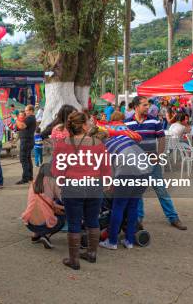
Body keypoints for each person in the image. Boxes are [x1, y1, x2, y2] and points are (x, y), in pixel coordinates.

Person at [55, 112, 110, 269]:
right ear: (84, 126)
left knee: (74, 223)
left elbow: (57, 169)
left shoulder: (63, 143)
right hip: (94, 187)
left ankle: (74, 260)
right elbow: (105, 167)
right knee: (93, 221)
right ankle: (92, 254)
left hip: (72, 188)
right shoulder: (97, 143)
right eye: (89, 122)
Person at [125, 96, 187, 230]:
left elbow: (162, 138)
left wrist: (158, 155)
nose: (148, 107)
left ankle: (173, 217)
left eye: (148, 105)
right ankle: (138, 219)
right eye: (144, 105)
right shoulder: (127, 123)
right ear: (136, 107)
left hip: (152, 162)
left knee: (161, 190)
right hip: (136, 163)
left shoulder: (154, 121)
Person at [100, 112, 150, 250]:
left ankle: (112, 241)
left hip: (127, 174)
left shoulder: (103, 148)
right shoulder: (122, 138)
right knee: (133, 206)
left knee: (118, 206)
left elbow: (108, 171)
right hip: (145, 171)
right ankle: (129, 241)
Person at [21, 163, 65, 249]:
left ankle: (35, 235)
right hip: (43, 223)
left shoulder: (33, 184)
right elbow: (61, 200)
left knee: (40, 210)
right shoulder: (51, 183)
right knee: (63, 218)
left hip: (28, 222)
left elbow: (46, 203)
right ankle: (46, 236)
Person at [16, 105, 37, 185]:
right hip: (28, 140)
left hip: (26, 141)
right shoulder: (30, 118)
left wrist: (16, 119)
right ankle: (29, 176)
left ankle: (25, 178)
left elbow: (22, 126)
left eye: (26, 110)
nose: (25, 112)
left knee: (23, 159)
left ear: (31, 111)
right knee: (27, 159)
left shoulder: (30, 118)